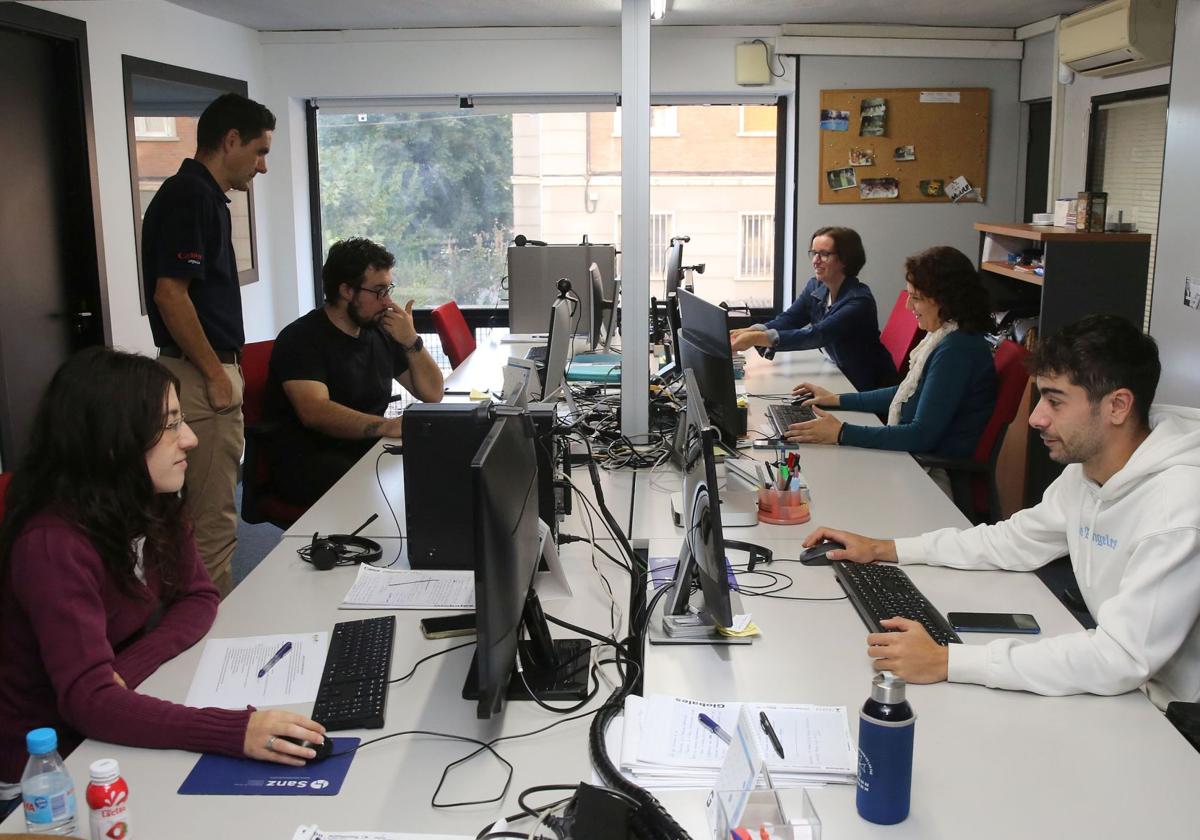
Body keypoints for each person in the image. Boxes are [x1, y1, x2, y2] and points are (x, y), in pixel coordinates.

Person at [804, 315, 1200, 710]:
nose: (1035, 418)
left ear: (1117, 406)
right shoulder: (1088, 471)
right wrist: (884, 549)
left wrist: (948, 660)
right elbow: (1012, 541)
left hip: (1172, 713)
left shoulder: (1176, 507)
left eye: (1055, 401)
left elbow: (1120, 658)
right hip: (1130, 685)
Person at [0, 349, 326, 812]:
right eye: (171, 424)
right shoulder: (53, 544)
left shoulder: (149, 499)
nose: (190, 439)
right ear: (115, 442)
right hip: (50, 769)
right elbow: (86, 701)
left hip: (114, 709)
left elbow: (198, 596)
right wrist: (234, 731)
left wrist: (126, 670)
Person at [141, 92, 276, 598]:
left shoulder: (196, 195)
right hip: (201, 376)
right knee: (213, 525)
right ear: (231, 140)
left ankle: (184, 628)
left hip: (193, 373)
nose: (261, 167)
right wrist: (217, 375)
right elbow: (170, 295)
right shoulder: (191, 196)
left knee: (188, 523)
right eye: (259, 152)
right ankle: (208, 647)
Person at [266, 237, 445, 508]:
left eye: (388, 290)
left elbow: (432, 393)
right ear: (347, 290)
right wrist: (385, 426)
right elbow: (314, 411)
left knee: (440, 462)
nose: (387, 302)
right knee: (396, 489)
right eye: (379, 291)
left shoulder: (378, 330)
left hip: (365, 448)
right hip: (312, 458)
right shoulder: (301, 338)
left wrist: (411, 341)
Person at [783, 246, 996, 466]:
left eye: (916, 298)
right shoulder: (947, 337)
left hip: (930, 471)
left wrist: (841, 433)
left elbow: (921, 436)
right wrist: (836, 399)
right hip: (915, 457)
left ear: (946, 300)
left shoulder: (956, 350)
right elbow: (906, 393)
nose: (908, 305)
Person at [729, 226, 897, 391]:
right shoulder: (815, 285)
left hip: (864, 384)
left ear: (846, 259)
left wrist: (756, 338)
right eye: (814, 253)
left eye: (824, 254)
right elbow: (791, 318)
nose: (815, 260)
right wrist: (752, 330)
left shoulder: (859, 301)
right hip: (836, 372)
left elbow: (818, 335)